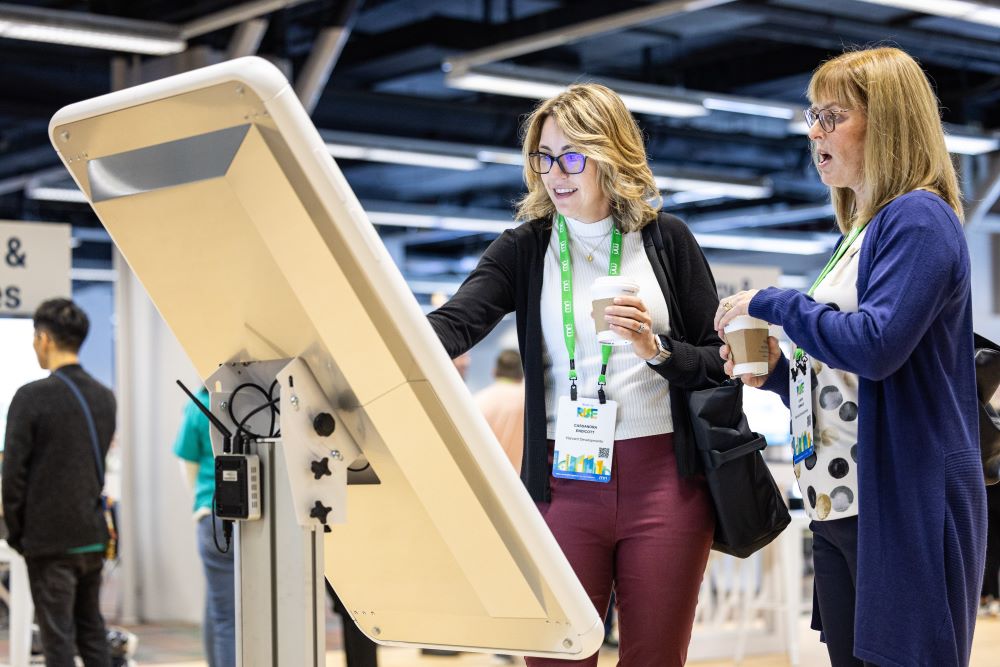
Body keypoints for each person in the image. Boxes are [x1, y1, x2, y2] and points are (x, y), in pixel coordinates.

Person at [429, 83, 724, 666]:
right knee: (555, 656)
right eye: (542, 158)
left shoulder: (667, 242)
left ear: (610, 155)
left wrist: (656, 348)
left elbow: (720, 363)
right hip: (563, 480)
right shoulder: (523, 249)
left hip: (664, 478)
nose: (554, 174)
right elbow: (456, 323)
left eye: (571, 156)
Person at [714, 47, 987, 666]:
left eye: (832, 115)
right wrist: (779, 373)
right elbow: (845, 376)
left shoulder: (917, 217)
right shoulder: (860, 233)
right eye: (811, 116)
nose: (814, 131)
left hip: (902, 498)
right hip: (843, 502)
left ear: (886, 121)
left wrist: (777, 301)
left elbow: (877, 346)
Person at [2, 298, 116, 667]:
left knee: (58, 640)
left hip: (49, 541)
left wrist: (17, 534)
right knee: (92, 632)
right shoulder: (104, 397)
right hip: (91, 535)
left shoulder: (30, 397)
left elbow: (13, 476)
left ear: (45, 338)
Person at [173, 386, 235, 667]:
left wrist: (200, 504)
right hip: (254, 513)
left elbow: (187, 460)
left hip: (211, 513)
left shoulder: (201, 403)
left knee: (222, 613)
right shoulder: (254, 395)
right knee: (224, 609)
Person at [474, 348, 525, 473]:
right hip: (525, 484)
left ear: (494, 371)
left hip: (492, 480)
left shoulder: (478, 401)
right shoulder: (532, 402)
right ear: (521, 373)